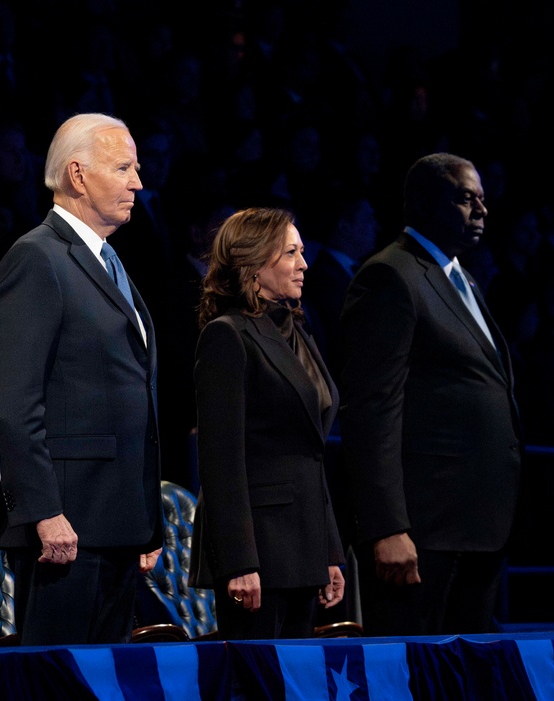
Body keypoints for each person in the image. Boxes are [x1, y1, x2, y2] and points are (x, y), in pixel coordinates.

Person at [0, 112, 163, 645]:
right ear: (78, 175)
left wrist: (144, 520)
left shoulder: (108, 262)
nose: (138, 182)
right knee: (55, 680)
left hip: (117, 523)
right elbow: (14, 401)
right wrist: (44, 511)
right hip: (66, 526)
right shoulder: (37, 257)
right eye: (124, 168)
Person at [338, 152, 522, 636]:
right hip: (423, 530)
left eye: (482, 199)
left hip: (477, 526)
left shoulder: (461, 278)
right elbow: (371, 409)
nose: (481, 210)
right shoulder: (390, 276)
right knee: (416, 673)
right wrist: (387, 527)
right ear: (422, 203)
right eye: (466, 198)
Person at [189, 207, 346, 640]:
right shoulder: (227, 335)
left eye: (302, 252)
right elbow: (221, 462)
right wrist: (240, 561)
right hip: (259, 551)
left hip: (304, 545)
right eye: (291, 253)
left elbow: (310, 453)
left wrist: (329, 551)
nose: (304, 264)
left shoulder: (298, 330)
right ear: (256, 266)